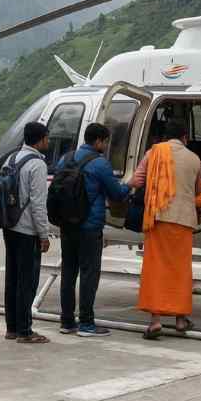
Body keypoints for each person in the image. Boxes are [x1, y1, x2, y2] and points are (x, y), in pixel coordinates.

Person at [56, 122, 130, 337]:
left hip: (67, 224)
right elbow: (116, 194)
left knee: (68, 272)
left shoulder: (66, 158)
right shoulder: (100, 164)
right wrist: (130, 184)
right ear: (98, 141)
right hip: (89, 227)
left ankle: (67, 321)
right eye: (105, 141)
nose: (106, 145)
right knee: (89, 273)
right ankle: (87, 323)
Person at [129, 120, 201, 337]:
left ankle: (156, 321)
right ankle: (180, 320)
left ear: (164, 137)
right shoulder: (194, 158)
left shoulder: (154, 153)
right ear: (185, 138)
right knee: (180, 270)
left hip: (158, 217)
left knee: (156, 269)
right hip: (184, 219)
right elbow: (197, 190)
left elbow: (136, 181)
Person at [3, 122, 51, 344]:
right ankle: (25, 331)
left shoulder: (11, 159)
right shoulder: (37, 165)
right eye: (47, 139)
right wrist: (44, 234)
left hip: (9, 227)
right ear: (40, 140)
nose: (48, 143)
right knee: (27, 281)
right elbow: (38, 204)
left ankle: (12, 327)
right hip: (27, 231)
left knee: (12, 278)